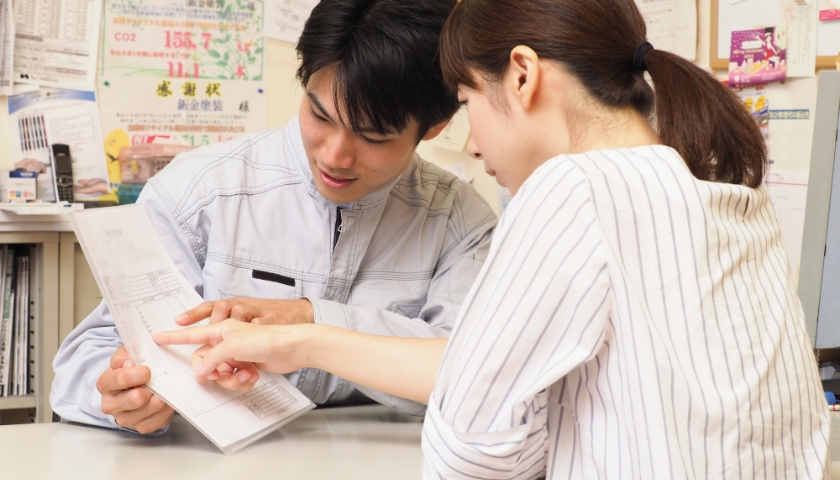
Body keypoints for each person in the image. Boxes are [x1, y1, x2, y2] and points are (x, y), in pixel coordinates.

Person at [156, 0, 831, 477]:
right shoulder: (725, 192)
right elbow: (472, 366)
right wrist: (300, 339)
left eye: (469, 98)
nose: (473, 143)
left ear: (523, 74)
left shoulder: (567, 193)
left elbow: (472, 454)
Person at [51, 0, 497, 436]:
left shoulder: (460, 223)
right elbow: (82, 363)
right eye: (319, 114)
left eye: (373, 135)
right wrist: (119, 396)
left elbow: (473, 376)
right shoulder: (198, 192)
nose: (334, 155)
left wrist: (311, 323)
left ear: (435, 126)